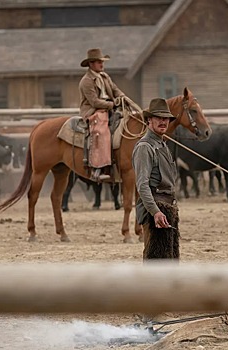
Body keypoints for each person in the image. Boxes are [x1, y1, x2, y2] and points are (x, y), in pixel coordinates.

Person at [132, 98, 179, 259]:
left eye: (166, 118)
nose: (163, 121)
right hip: (155, 209)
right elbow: (142, 185)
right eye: (158, 117)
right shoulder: (145, 147)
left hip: (167, 207)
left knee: (169, 257)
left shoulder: (162, 144)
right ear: (149, 120)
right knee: (155, 258)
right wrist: (155, 212)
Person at [79, 48, 126, 181]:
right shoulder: (86, 81)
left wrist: (123, 98)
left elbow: (116, 90)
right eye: (99, 62)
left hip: (109, 108)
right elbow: (94, 102)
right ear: (91, 64)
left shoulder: (105, 77)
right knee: (101, 130)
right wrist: (112, 104)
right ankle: (97, 168)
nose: (102, 64)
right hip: (93, 111)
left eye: (102, 61)